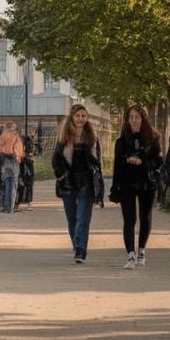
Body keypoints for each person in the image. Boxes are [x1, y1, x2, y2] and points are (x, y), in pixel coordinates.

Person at [110, 105, 162, 270]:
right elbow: (116, 166)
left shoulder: (153, 138)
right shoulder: (121, 141)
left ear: (143, 119)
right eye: (131, 117)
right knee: (129, 219)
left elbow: (158, 163)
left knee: (145, 218)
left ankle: (141, 252)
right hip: (127, 182)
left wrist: (144, 162)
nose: (133, 120)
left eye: (137, 117)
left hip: (147, 182)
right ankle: (130, 256)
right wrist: (114, 188)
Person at [52, 104, 104, 264]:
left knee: (83, 217)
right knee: (72, 218)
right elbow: (55, 161)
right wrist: (62, 174)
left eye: (83, 116)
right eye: (78, 115)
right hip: (68, 182)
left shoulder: (92, 139)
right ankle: (76, 244)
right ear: (72, 118)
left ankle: (81, 250)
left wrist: (99, 189)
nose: (81, 118)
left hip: (86, 182)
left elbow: (98, 163)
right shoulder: (63, 137)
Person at [0, 122, 24, 213]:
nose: (16, 129)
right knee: (13, 185)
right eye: (15, 128)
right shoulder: (16, 137)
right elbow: (20, 151)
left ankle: (5, 206)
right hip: (14, 162)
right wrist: (18, 158)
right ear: (11, 128)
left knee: (5, 184)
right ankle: (11, 208)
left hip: (4, 162)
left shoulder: (2, 136)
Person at [19, 130, 37, 208]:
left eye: (33, 133)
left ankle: (28, 199)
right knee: (24, 181)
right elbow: (21, 153)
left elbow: (35, 152)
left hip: (29, 163)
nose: (32, 134)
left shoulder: (32, 142)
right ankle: (23, 199)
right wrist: (27, 155)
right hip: (24, 164)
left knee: (29, 182)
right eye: (30, 132)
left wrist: (33, 154)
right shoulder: (25, 141)